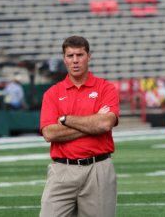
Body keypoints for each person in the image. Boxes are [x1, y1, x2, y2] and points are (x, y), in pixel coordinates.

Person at [39, 35, 120, 217]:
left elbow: (105, 123)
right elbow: (49, 133)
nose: (75, 60)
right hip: (62, 169)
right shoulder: (52, 93)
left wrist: (66, 119)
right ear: (64, 58)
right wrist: (91, 124)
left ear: (88, 56)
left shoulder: (105, 88)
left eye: (80, 55)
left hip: (97, 168)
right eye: (70, 56)